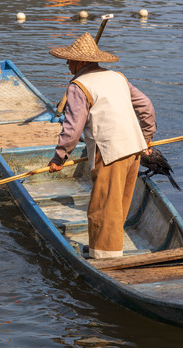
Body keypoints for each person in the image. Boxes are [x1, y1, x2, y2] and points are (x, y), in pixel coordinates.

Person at [47, 32, 156, 259]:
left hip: (110, 152)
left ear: (82, 62)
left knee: (103, 208)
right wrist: (146, 138)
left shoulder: (78, 86)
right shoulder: (117, 77)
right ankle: (104, 249)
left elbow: (73, 129)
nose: (67, 63)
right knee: (119, 204)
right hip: (133, 148)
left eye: (70, 60)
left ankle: (106, 258)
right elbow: (145, 106)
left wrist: (59, 158)